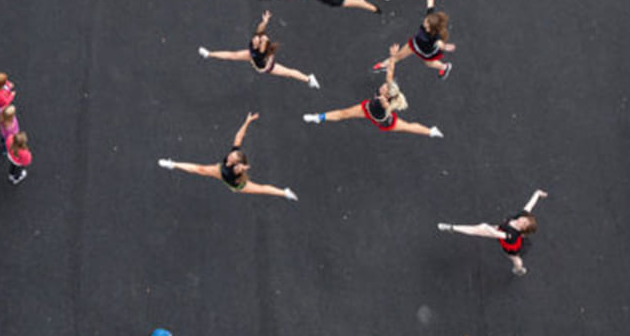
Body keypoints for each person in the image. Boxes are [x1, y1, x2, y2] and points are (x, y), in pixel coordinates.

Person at [301, 44, 446, 138]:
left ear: (387, 95)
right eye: (384, 85)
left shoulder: (385, 102)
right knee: (343, 113)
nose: (382, 86)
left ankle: (431, 131)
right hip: (367, 109)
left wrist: (384, 103)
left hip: (383, 121)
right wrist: (393, 55)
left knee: (408, 127)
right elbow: (390, 70)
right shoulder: (387, 88)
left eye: (384, 88)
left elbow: (387, 107)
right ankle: (318, 118)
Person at [157, 112, 298, 198]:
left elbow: (239, 169)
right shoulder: (231, 156)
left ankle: (284, 192)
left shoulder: (237, 170)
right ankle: (172, 164)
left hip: (237, 186)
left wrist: (242, 168)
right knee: (199, 169)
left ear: (237, 164)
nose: (230, 156)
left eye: (234, 157)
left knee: (261, 189)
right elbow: (239, 137)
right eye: (233, 154)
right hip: (220, 172)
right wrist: (247, 122)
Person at [438, 189, 549, 275]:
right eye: (524, 219)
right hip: (499, 229)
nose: (521, 220)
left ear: (523, 229)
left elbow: (498, 235)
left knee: (515, 259)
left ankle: (519, 269)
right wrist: (537, 194)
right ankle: (452, 228)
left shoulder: (513, 235)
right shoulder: (521, 216)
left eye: (523, 224)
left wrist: (486, 227)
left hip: (508, 244)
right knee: (475, 230)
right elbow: (529, 206)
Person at [197, 10, 320, 85]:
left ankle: (309, 79)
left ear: (260, 45)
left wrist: (263, 43)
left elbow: (262, 45)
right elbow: (260, 30)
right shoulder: (257, 40)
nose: (255, 38)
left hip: (266, 67)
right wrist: (265, 21)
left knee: (289, 73)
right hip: (253, 57)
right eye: (257, 38)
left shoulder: (261, 51)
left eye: (258, 40)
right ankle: (208, 54)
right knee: (232, 55)